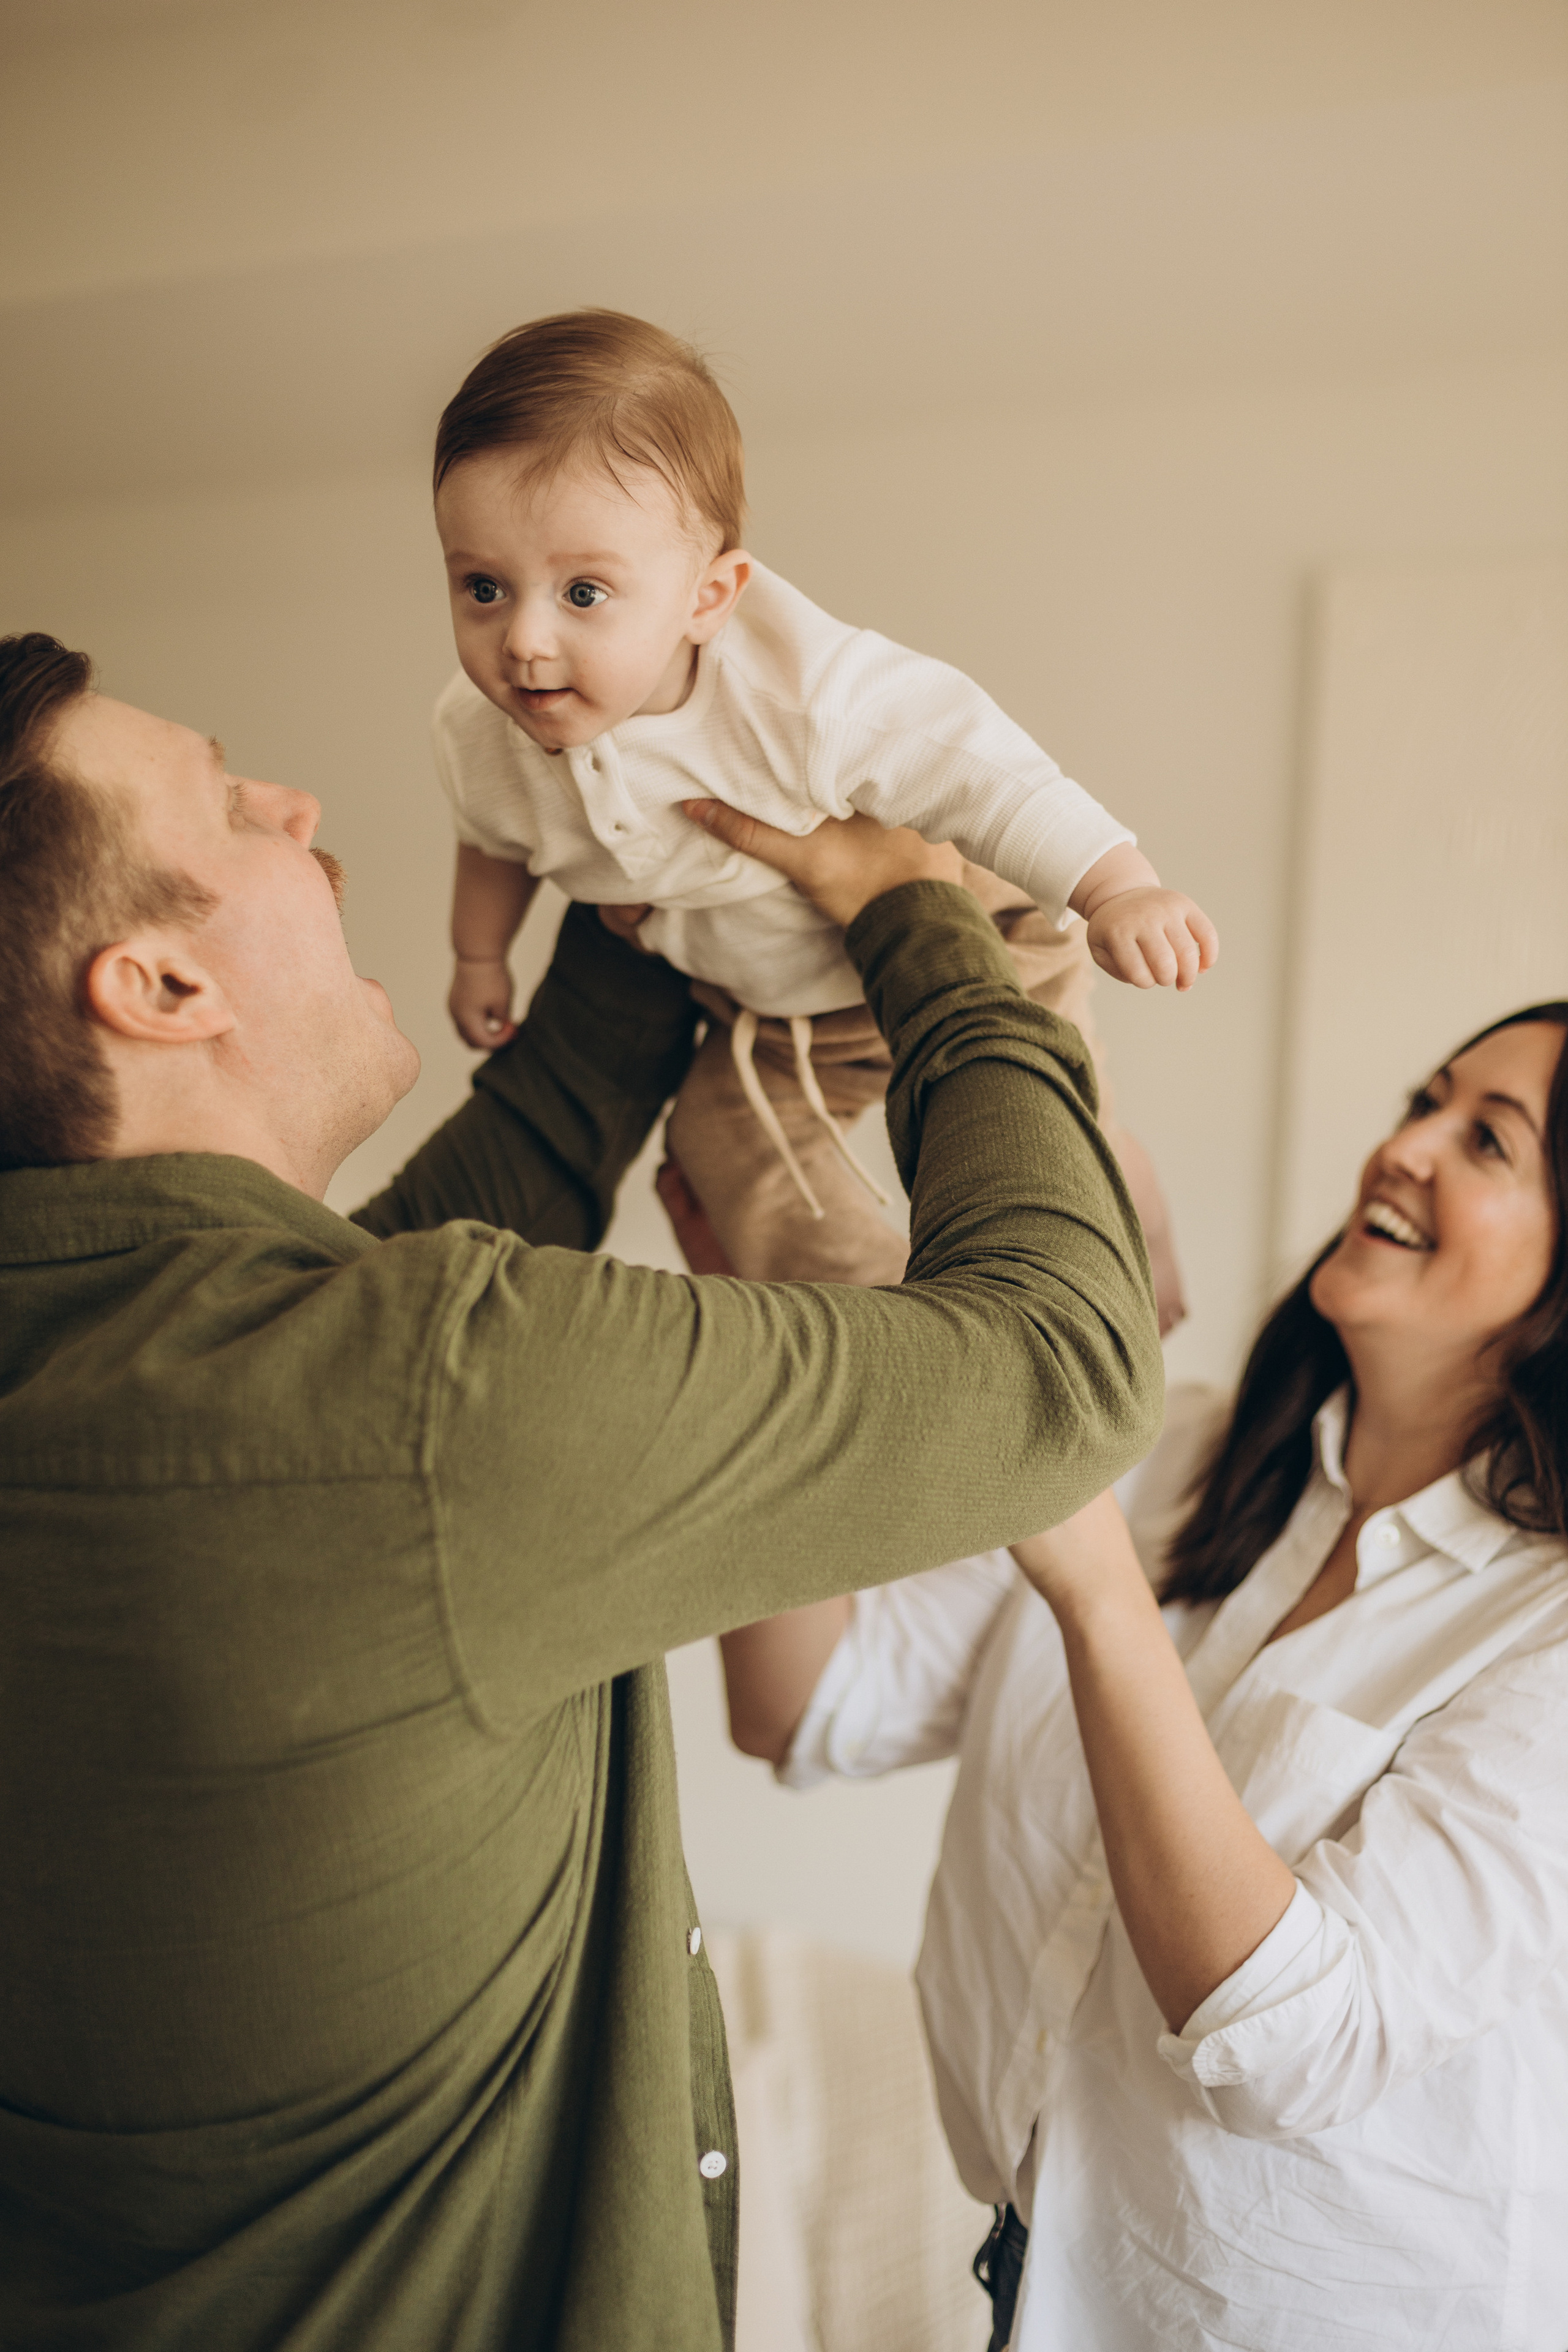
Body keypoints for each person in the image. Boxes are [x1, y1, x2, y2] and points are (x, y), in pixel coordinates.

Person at [0, 632, 1162, 2350]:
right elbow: (1060, 1367)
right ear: (162, 990)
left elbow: (434, 1259)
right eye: (237, 805)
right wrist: (919, 914)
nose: (300, 800)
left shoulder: (150, 1378)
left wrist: (650, 906)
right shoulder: (409, 1406)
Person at [724, 1002, 1568, 2350]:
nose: (1402, 1146)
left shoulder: (1546, 1638)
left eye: (1486, 1142)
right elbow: (803, 1697)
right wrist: (789, 1311)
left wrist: (1092, 1582)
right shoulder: (1178, 1459)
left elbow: (1292, 2036)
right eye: (1422, 1098)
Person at [432, 308, 1213, 1303]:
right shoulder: (477, 727)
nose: (524, 641)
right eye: (484, 588)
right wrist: (479, 953)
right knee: (720, 1146)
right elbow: (489, 832)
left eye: (584, 594)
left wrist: (1117, 889)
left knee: (1044, 1122)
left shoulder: (803, 693)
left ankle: (1130, 1275)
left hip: (983, 938)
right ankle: (896, 1328)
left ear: (709, 598)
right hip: (785, 1024)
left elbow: (977, 765)